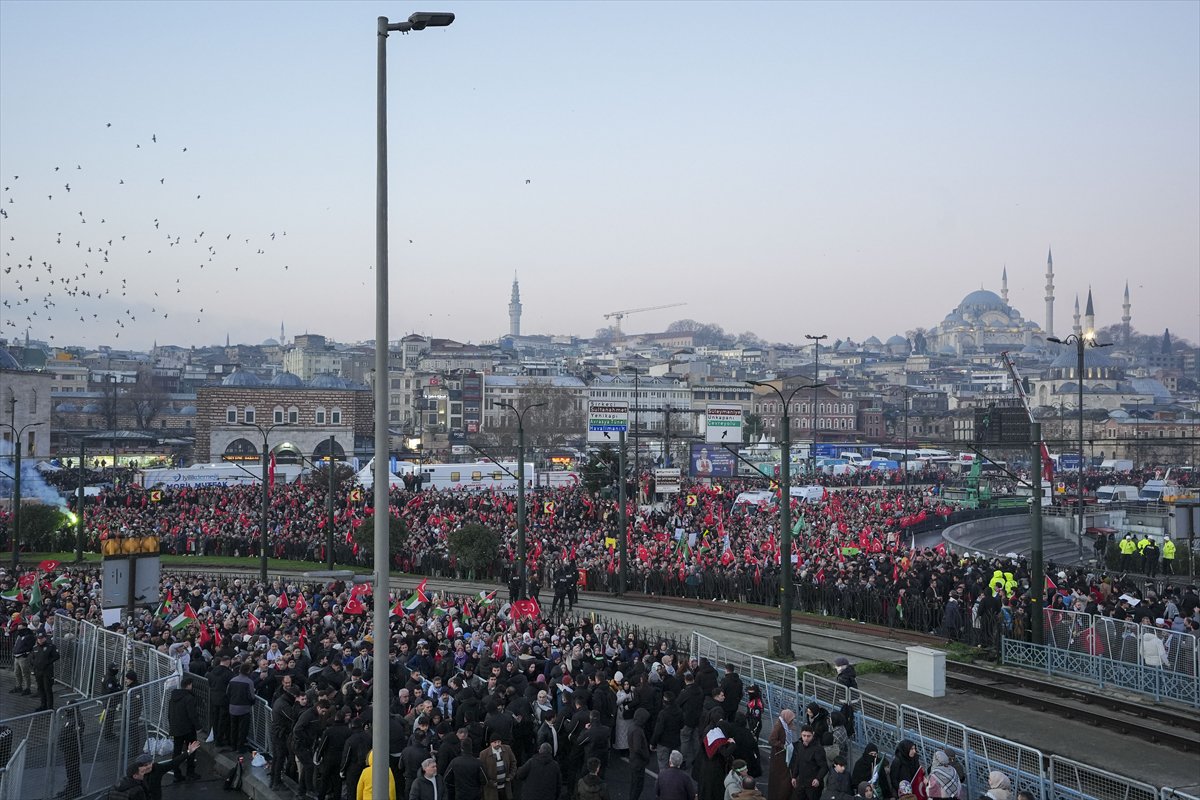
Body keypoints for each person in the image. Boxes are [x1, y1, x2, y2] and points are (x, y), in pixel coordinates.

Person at [110, 743, 201, 800]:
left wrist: (188, 752)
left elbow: (173, 763)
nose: (149, 766)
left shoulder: (157, 768)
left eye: (150, 763)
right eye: (145, 765)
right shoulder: (135, 783)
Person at [166, 675, 201, 782]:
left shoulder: (173, 698)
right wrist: (198, 726)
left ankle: (177, 774)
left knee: (176, 752)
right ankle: (190, 772)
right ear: (189, 685)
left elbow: (169, 714)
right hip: (188, 729)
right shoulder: (189, 698)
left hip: (176, 728)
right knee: (191, 750)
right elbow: (192, 715)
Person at [789, 725, 828, 800]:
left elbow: (824, 766)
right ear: (801, 734)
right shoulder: (800, 745)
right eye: (804, 736)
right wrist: (794, 776)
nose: (806, 738)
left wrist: (818, 779)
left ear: (812, 734)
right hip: (802, 783)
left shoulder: (818, 749)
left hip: (813, 786)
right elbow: (798, 762)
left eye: (808, 736)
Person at [766, 709, 795, 800]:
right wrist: (783, 746)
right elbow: (771, 740)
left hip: (781, 755)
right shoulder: (779, 726)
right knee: (782, 777)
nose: (792, 721)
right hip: (779, 756)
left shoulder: (784, 725)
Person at [31, 630, 60, 711]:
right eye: (38, 638)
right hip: (38, 671)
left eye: (42, 638)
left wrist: (47, 662)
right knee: (40, 688)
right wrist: (34, 664)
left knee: (48, 689)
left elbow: (56, 656)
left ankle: (50, 707)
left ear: (45, 638)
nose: (40, 640)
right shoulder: (35, 648)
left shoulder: (51, 646)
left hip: (47, 672)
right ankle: (43, 705)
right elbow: (32, 658)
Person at [480, 735, 516, 800]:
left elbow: (513, 762)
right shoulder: (483, 754)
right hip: (492, 789)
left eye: (499, 742)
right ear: (491, 743)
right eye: (495, 742)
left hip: (505, 786)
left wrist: (511, 776)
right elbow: (482, 771)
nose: (497, 744)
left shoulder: (507, 749)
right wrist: (490, 782)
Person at [628, 707, 652, 800]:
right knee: (638, 786)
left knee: (634, 784)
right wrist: (646, 756)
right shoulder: (638, 730)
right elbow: (637, 748)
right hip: (638, 762)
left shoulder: (632, 726)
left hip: (634, 760)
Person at [10, 620, 35, 696]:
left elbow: (30, 646)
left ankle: (27, 688)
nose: (19, 630)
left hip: (23, 656)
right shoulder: (19, 635)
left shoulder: (29, 636)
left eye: (20, 628)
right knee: (17, 672)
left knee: (25, 673)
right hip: (17, 656)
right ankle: (18, 686)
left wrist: (26, 653)